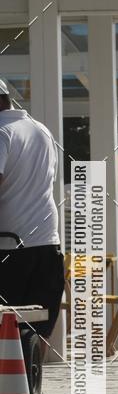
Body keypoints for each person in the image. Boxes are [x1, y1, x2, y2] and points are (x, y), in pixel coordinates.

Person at [0, 80, 64, 358]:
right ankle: (27, 382)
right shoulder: (42, 131)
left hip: (10, 246)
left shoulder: (2, 133)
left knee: (7, 328)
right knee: (35, 329)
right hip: (47, 242)